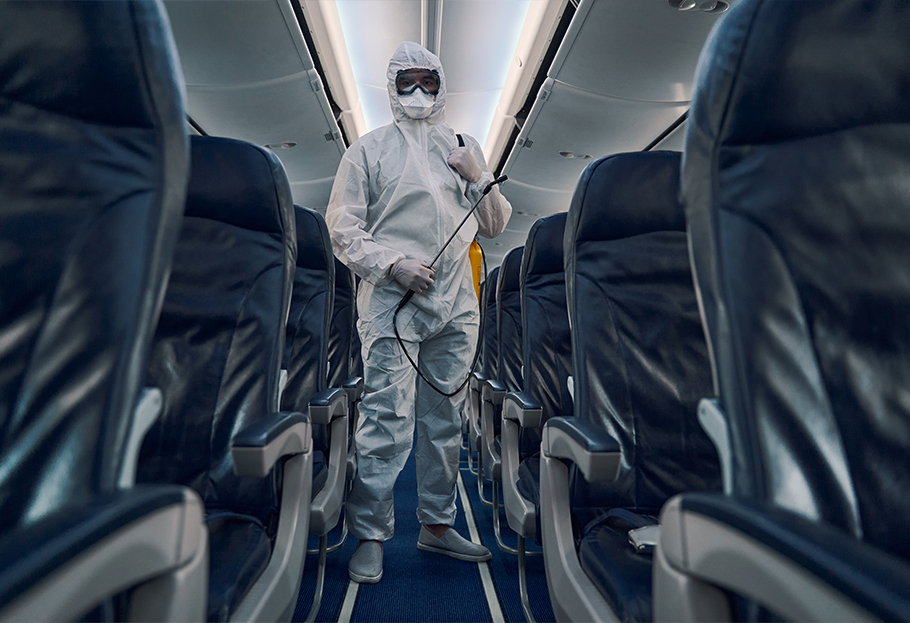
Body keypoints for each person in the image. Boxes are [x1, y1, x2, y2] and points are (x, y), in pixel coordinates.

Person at [325, 41, 512, 584]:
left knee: (446, 421)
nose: (419, 92)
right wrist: (391, 265)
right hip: (392, 304)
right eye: (408, 81)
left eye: (429, 82)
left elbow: (496, 224)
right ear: (392, 85)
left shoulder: (463, 144)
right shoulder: (367, 150)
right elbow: (343, 229)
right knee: (386, 419)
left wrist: (478, 175)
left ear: (441, 86)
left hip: (456, 305)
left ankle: (436, 526)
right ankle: (372, 535)